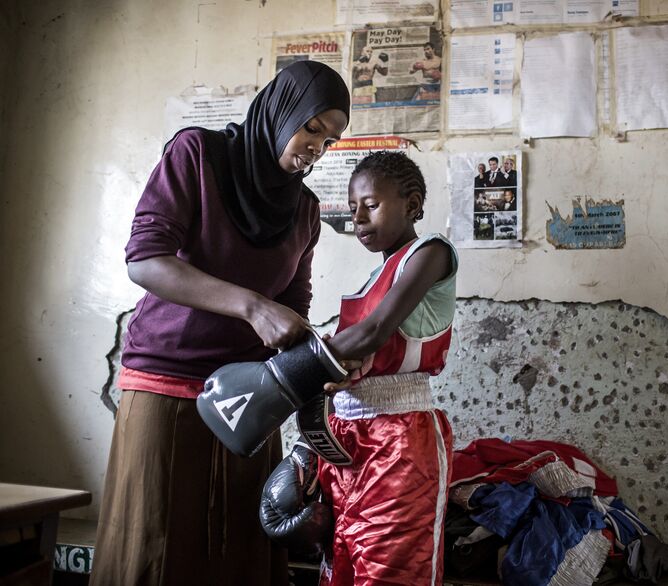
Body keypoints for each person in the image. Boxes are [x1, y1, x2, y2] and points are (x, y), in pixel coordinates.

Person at [90, 61, 351, 586]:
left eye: (330, 141)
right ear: (282, 113)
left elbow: (293, 312)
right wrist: (252, 306)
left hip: (250, 407)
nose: (316, 149)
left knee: (239, 553)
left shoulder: (303, 210)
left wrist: (321, 377)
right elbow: (145, 259)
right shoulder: (198, 155)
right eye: (312, 129)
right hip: (166, 386)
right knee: (154, 548)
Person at [313, 150, 458, 585]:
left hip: (400, 436)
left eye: (371, 205)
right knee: (342, 563)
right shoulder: (375, 279)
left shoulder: (430, 253)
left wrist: (294, 367)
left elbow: (375, 331)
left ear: (412, 205)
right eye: (352, 207)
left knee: (391, 571)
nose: (358, 218)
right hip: (347, 438)